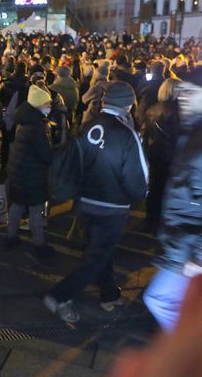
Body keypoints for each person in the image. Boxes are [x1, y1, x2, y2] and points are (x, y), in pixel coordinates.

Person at [44, 81, 148, 323]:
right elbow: (137, 180)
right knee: (95, 257)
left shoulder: (89, 125)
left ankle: (109, 294)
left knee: (101, 251)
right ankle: (59, 296)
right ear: (128, 104)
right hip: (111, 207)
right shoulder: (126, 134)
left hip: (85, 203)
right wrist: (139, 196)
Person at [143, 65, 202, 332]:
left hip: (199, 251)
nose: (183, 96)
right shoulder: (196, 130)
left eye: (192, 91)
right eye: (183, 90)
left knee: (159, 299)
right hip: (184, 243)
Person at [5, 85, 55, 257]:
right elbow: (46, 155)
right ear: (38, 105)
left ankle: (10, 236)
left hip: (19, 172)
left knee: (17, 206)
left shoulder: (25, 120)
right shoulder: (36, 127)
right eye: (47, 103)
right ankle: (39, 244)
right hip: (32, 175)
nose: (50, 106)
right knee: (36, 210)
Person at [140, 78, 181, 233]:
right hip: (172, 155)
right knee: (168, 190)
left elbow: (145, 132)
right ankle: (163, 223)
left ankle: (150, 220)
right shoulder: (178, 111)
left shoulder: (152, 109)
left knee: (155, 188)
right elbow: (179, 135)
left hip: (155, 153)